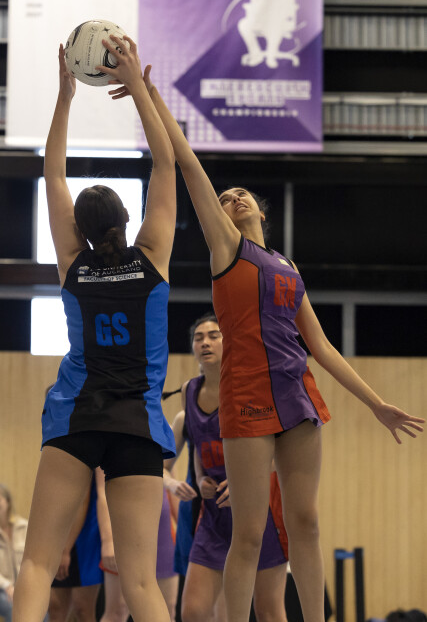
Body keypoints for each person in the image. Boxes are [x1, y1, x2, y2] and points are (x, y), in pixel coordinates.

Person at [108, 68, 425, 622]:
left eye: (241, 194)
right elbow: (188, 163)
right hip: (248, 394)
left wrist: (376, 404)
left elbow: (320, 346)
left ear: (260, 210)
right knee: (249, 534)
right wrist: (147, 91)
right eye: (225, 197)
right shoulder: (226, 248)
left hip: (297, 394)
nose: (232, 196)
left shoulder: (287, 265)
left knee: (306, 523)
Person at [13, 34, 177, 622]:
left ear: (78, 230)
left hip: (77, 417)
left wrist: (64, 98)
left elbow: (52, 175)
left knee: (37, 563)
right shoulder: (152, 258)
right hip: (138, 423)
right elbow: (166, 164)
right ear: (128, 220)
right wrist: (138, 90)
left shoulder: (73, 266)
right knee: (142, 582)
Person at [179, 313, 288, 622]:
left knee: (268, 612)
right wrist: (201, 477)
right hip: (215, 514)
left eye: (214, 335)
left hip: (261, 509)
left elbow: (280, 451)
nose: (205, 342)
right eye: (198, 338)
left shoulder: (252, 388)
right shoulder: (189, 391)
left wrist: (244, 484)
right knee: (193, 612)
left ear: (230, 343)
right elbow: (198, 443)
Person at [96, 467, 178, 622]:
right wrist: (108, 540)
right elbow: (102, 493)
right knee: (117, 611)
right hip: (125, 529)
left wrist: (185, 535)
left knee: (167, 609)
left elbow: (175, 489)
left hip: (163, 532)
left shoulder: (164, 451)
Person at [48, 477, 102, 622]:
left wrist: (65, 549)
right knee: (55, 606)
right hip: (58, 532)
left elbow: (82, 501)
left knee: (82, 609)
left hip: (84, 538)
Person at [0, 484, 27, 622]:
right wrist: (7, 586)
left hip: (24, 586)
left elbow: (33, 560)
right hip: (2, 588)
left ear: (8, 501)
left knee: (41, 607)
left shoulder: (24, 526)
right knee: (13, 607)